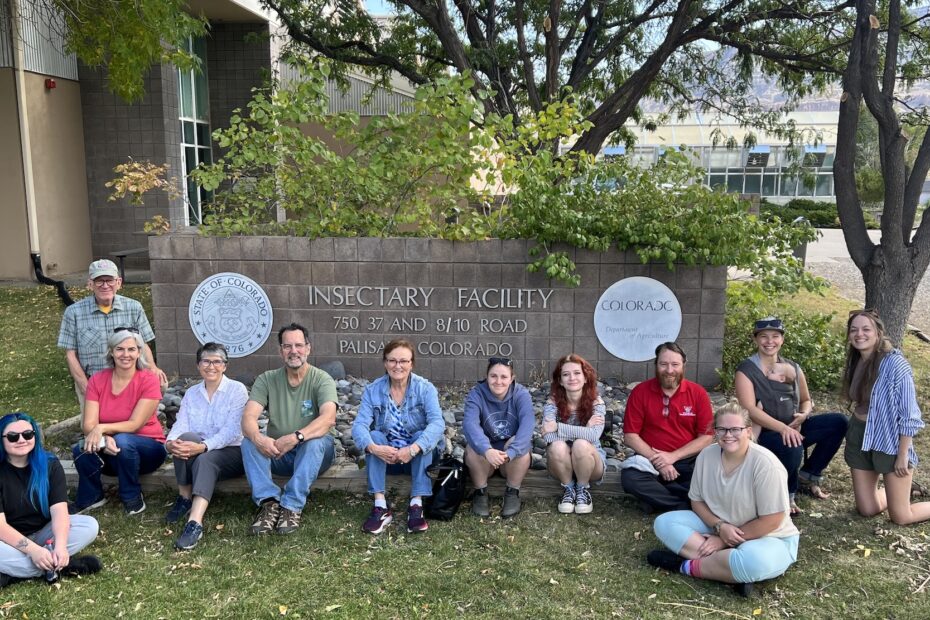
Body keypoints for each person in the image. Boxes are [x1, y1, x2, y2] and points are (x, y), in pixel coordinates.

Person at [648, 402, 800, 598]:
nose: (728, 435)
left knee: (753, 561)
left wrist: (722, 541)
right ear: (715, 432)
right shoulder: (706, 456)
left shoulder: (766, 464)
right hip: (719, 525)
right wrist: (719, 526)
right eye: (722, 429)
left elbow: (773, 519)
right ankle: (729, 571)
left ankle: (684, 566)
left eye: (735, 429)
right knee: (665, 523)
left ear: (748, 431)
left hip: (768, 537)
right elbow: (697, 501)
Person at [734, 316, 848, 515]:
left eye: (775, 336)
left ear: (782, 340)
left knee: (839, 422)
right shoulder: (746, 370)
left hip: (795, 426)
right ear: (755, 340)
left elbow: (806, 399)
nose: (770, 341)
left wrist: (804, 414)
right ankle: (787, 494)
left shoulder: (793, 368)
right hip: (766, 433)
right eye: (763, 336)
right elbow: (749, 410)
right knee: (792, 443)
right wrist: (784, 428)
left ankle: (809, 475)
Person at [240, 323, 337, 535]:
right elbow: (248, 417)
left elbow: (328, 418)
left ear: (308, 348)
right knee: (248, 441)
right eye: (287, 346)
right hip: (278, 453)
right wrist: (259, 438)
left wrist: (297, 437)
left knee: (317, 440)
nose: (294, 351)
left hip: (314, 454)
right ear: (280, 350)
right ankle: (269, 504)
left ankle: (291, 506)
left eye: (299, 345)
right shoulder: (267, 379)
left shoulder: (321, 379)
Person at [842, 309, 930, 525]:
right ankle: (900, 491)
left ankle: (901, 494)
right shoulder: (856, 360)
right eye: (854, 330)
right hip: (859, 435)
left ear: (878, 333)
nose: (859, 334)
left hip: (889, 440)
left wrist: (902, 454)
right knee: (867, 509)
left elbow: (910, 415)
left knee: (901, 517)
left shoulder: (895, 365)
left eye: (865, 329)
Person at [353, 339, 445, 534]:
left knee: (422, 435)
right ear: (385, 363)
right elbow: (359, 425)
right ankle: (380, 506)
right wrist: (374, 448)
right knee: (375, 436)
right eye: (392, 360)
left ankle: (416, 505)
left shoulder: (425, 388)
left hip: (419, 457)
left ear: (412, 363)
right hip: (388, 458)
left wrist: (412, 449)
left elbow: (438, 424)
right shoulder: (373, 390)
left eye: (403, 361)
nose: (398, 366)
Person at [71, 328, 166, 515]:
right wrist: (104, 439)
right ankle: (91, 496)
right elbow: (88, 425)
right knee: (81, 448)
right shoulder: (98, 380)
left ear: (139, 352)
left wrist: (103, 429)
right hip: (113, 455)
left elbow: (134, 425)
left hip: (149, 452)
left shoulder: (148, 380)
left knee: (123, 439)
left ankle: (132, 497)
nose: (126, 354)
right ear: (111, 352)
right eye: (120, 349)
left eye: (131, 349)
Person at [0, 413, 102, 587]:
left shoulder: (50, 465)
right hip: (6, 540)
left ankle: (16, 572)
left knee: (89, 525)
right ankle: (59, 567)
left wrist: (61, 546)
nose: (21, 440)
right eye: (12, 436)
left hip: (42, 534)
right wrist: (33, 551)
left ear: (35, 436)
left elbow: (60, 512)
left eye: (28, 434)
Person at [164, 343, 248, 550]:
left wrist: (203, 447)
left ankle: (195, 522)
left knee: (204, 458)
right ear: (198, 365)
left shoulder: (237, 391)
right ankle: (184, 497)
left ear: (225, 366)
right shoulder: (192, 393)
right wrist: (170, 444)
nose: (211, 366)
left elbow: (232, 432)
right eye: (206, 361)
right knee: (183, 438)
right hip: (199, 450)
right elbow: (181, 424)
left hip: (233, 452)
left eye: (217, 361)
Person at [57, 259, 167, 410]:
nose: (105, 285)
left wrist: (152, 368)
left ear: (119, 282)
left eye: (109, 280)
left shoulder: (133, 307)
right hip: (93, 380)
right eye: (99, 281)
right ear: (90, 284)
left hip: (129, 381)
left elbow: (144, 344)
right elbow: (70, 354)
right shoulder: (74, 312)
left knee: (131, 425)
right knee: (93, 428)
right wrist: (84, 385)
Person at [621, 342, 715, 514]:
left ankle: (656, 501)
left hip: (687, 461)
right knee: (631, 478)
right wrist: (660, 461)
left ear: (683, 365)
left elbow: (707, 437)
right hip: (648, 460)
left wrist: (673, 457)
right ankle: (682, 505)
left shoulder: (698, 393)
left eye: (675, 364)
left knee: (709, 481)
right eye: (663, 364)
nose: (669, 370)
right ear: (656, 365)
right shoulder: (641, 391)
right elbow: (630, 436)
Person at [463, 357, 535, 518]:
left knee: (519, 444)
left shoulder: (521, 394)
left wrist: (512, 452)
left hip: (509, 460)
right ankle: (480, 492)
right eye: (493, 376)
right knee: (473, 447)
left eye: (504, 377)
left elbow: (527, 425)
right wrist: (486, 450)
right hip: (485, 461)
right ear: (487, 377)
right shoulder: (477, 394)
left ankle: (512, 492)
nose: (498, 381)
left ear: (512, 379)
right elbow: (470, 425)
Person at [543, 354, 606, 515]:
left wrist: (557, 427)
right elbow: (548, 437)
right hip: (560, 464)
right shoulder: (552, 403)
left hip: (591, 465)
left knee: (581, 445)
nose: (572, 378)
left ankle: (582, 489)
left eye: (577, 373)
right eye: (566, 374)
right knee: (557, 446)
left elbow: (594, 436)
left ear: (585, 378)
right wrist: (585, 430)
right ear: (560, 381)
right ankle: (569, 489)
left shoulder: (596, 403)